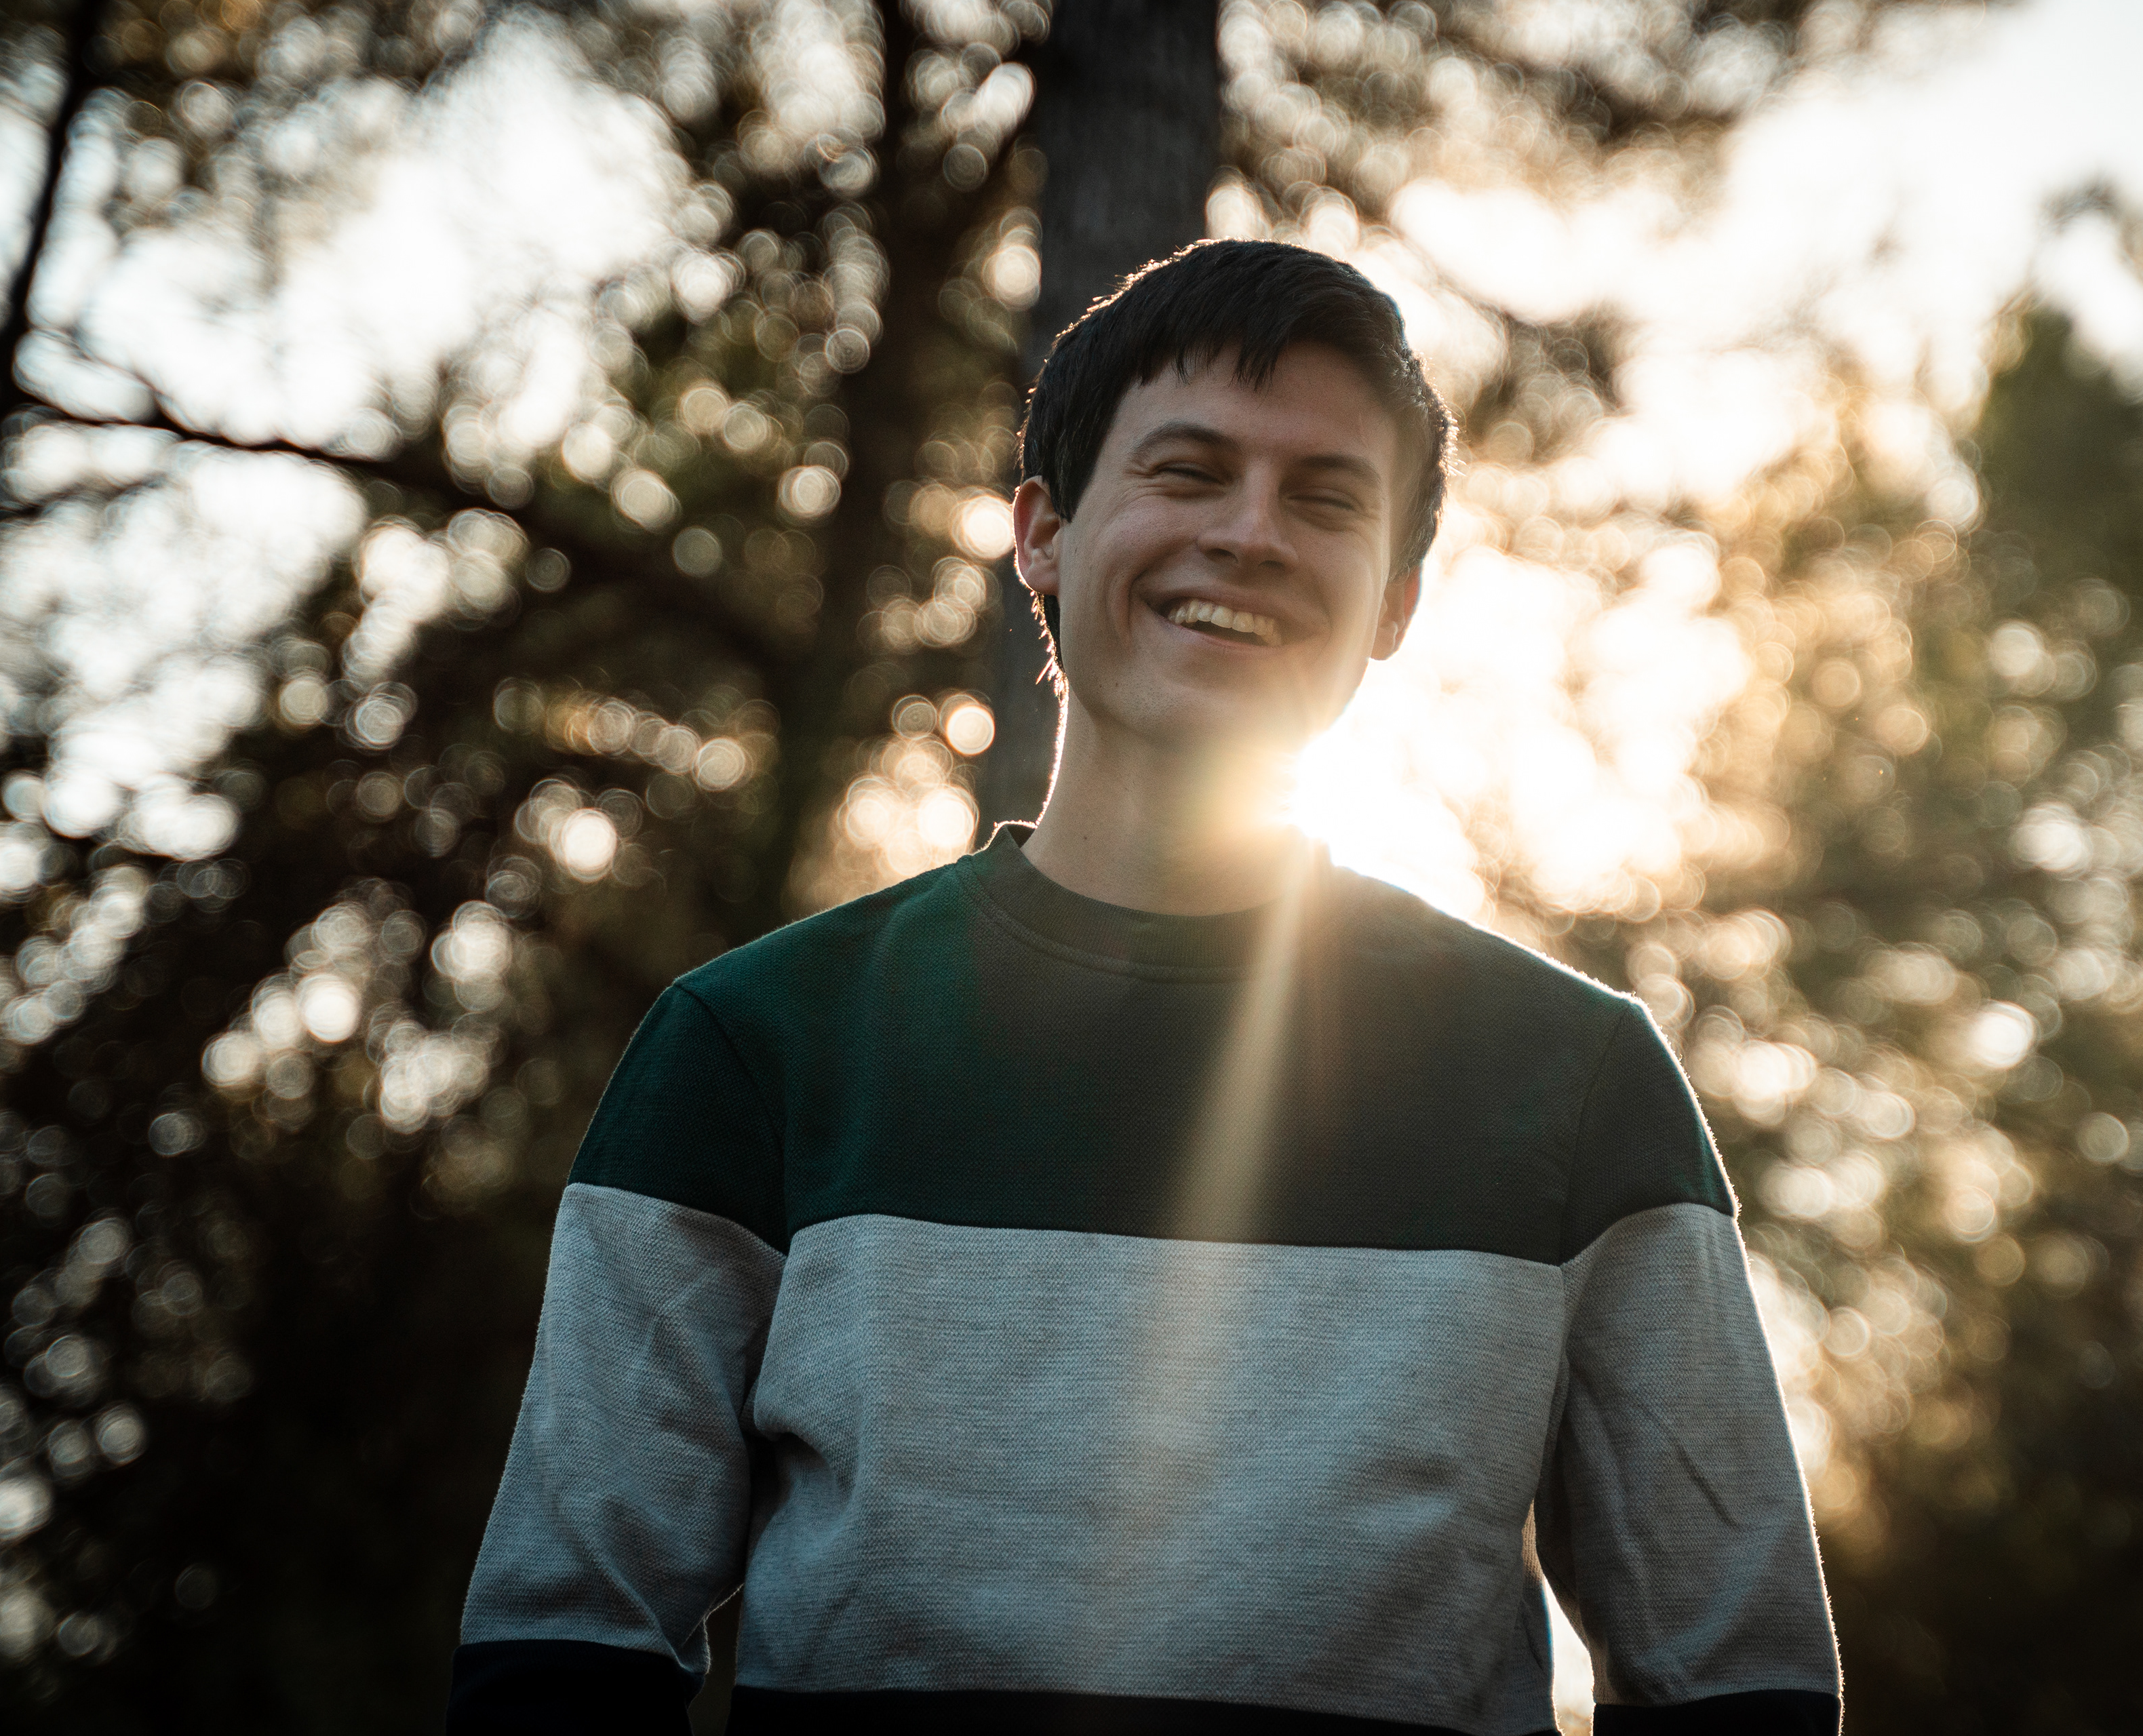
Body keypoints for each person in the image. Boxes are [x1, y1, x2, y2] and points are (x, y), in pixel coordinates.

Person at [447, 239, 1841, 1736]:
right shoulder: (750, 1049)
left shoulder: (1580, 1080)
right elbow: (562, 1660)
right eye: (1189, 471)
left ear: (1394, 603)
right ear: (1043, 533)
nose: (1251, 533)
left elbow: (1738, 1686)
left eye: (1327, 498)